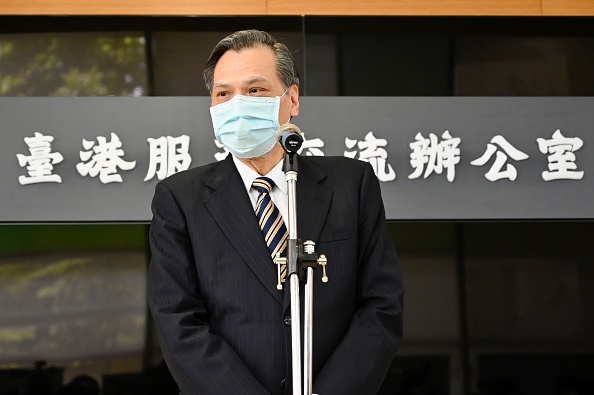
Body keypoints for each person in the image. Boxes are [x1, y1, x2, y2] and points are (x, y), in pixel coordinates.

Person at [147, 29, 403, 395]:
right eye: (223, 93)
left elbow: (382, 305)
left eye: (255, 90)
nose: (237, 104)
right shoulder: (179, 199)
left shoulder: (352, 184)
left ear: (292, 99)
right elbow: (177, 320)